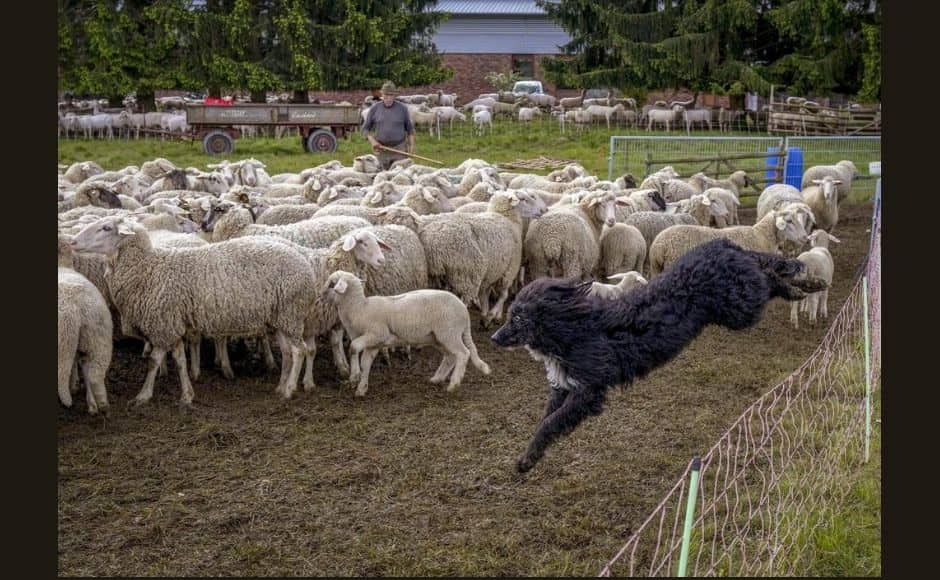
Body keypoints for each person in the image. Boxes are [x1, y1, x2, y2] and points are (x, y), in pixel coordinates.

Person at [361, 81, 416, 170]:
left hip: (399, 150)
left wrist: (412, 146)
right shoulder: (375, 109)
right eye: (386, 95)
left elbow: (410, 130)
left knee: (400, 178)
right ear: (382, 95)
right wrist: (373, 141)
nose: (389, 98)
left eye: (391, 95)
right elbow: (365, 129)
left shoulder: (402, 109)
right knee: (382, 177)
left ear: (395, 96)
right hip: (382, 150)